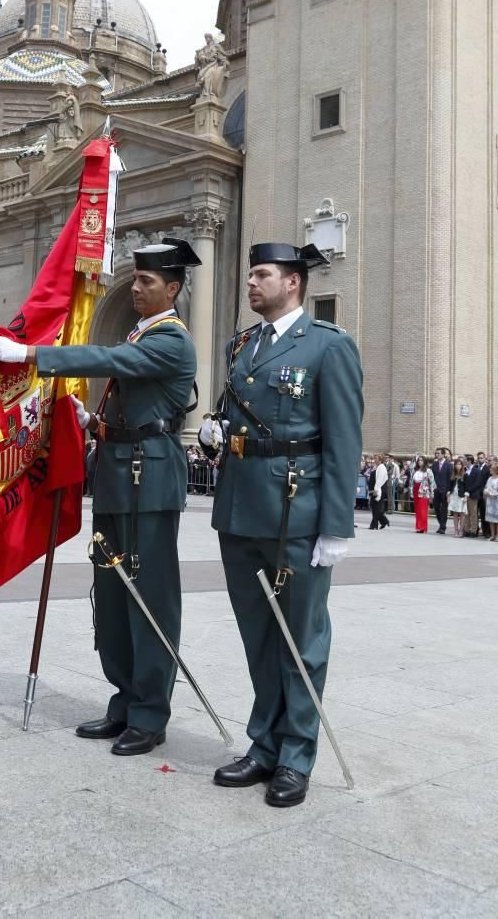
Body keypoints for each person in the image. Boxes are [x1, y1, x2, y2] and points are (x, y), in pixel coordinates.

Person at [0, 238, 200, 757]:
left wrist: (32, 354)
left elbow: (112, 358)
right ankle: (124, 699)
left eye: (147, 281)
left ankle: (150, 711)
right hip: (119, 474)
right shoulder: (142, 331)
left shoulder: (171, 340)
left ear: (172, 287)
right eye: (138, 278)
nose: (137, 286)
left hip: (150, 480)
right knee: (114, 594)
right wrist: (94, 422)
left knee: (149, 597)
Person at [199, 241, 363, 808]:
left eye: (262, 275)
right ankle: (263, 744)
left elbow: (343, 438)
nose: (251, 284)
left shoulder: (327, 346)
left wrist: (336, 524)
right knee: (258, 636)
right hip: (242, 506)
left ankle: (296, 754)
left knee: (301, 638)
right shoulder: (242, 346)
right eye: (249, 275)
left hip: (298, 509)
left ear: (292, 282)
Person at [432, 448, 453, 533]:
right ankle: (441, 524)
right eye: (436, 453)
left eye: (439, 453)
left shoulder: (449, 465)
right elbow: (432, 477)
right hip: (436, 490)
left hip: (445, 490)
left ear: (443, 454)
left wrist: (449, 490)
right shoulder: (435, 464)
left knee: (444, 509)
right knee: (436, 508)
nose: (437, 455)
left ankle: (442, 527)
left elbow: (450, 479)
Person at [411, 456, 434, 533]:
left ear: (425, 462)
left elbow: (432, 482)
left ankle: (423, 527)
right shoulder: (415, 470)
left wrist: (432, 494)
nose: (420, 462)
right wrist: (411, 492)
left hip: (424, 490)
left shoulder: (428, 471)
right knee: (417, 510)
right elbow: (411, 482)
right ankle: (418, 527)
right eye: (419, 460)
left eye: (421, 460)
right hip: (416, 489)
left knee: (423, 510)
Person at [368, 454, 389, 530]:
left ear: (380, 460)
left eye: (376, 458)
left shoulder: (382, 468)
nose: (374, 460)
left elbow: (379, 481)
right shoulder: (378, 467)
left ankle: (374, 525)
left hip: (380, 490)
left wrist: (376, 491)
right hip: (377, 489)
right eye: (374, 458)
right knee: (375, 507)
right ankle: (383, 521)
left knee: (376, 507)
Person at [448, 457, 468, 537]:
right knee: (455, 513)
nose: (458, 466)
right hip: (454, 496)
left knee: (462, 514)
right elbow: (450, 486)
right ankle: (455, 530)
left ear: (462, 465)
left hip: (461, 496)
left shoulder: (465, 474)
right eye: (456, 464)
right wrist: (448, 495)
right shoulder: (453, 474)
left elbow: (467, 486)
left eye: (459, 464)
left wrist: (466, 496)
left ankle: (461, 531)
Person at [464, 454, 483, 537]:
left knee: (473, 514)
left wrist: (468, 491)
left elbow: (478, 483)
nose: (463, 461)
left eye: (464, 460)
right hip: (465, 495)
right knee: (466, 513)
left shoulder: (477, 471)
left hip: (473, 495)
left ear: (469, 460)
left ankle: (474, 531)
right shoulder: (464, 470)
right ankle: (467, 530)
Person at [484, 462, 498, 541]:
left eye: (491, 469)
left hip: (496, 502)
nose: (490, 470)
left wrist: (493, 493)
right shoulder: (489, 479)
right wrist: (486, 491)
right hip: (489, 502)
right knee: (491, 520)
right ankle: (492, 535)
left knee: (497, 519)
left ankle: (497, 536)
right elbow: (486, 487)